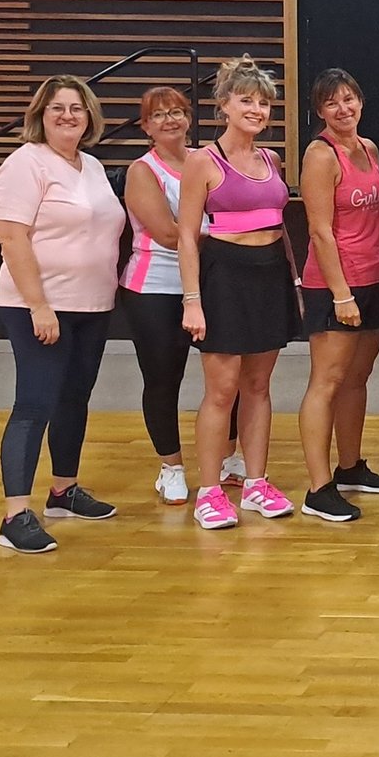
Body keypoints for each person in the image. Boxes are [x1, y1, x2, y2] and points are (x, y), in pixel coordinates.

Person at [0, 76, 126, 553]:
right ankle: (14, 515)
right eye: (57, 108)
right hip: (40, 306)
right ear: (40, 116)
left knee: (74, 398)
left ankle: (63, 491)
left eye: (77, 108)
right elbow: (12, 238)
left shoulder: (90, 165)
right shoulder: (24, 164)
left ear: (90, 117)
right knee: (35, 403)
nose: (68, 116)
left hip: (91, 304)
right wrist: (39, 304)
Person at [177, 54, 301, 531]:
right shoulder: (201, 161)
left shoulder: (271, 159)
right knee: (221, 390)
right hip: (223, 277)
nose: (256, 109)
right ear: (223, 105)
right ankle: (209, 490)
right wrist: (193, 299)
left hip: (268, 274)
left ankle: (255, 482)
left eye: (263, 103)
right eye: (245, 100)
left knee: (258, 386)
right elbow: (188, 235)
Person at [119, 84, 238, 506]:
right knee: (163, 379)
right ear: (145, 126)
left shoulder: (206, 160)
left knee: (229, 376)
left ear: (190, 118)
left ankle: (227, 457)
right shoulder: (141, 171)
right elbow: (171, 234)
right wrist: (232, 237)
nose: (170, 120)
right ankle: (171, 467)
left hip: (211, 284)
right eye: (158, 115)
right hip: (157, 289)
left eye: (177, 112)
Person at [295, 69, 379, 523]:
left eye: (350, 99)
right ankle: (319, 489)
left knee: (357, 379)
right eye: (332, 103)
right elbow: (319, 230)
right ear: (319, 111)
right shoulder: (320, 155)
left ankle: (351, 466)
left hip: (375, 278)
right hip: (336, 285)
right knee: (328, 381)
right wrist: (340, 294)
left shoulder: (371, 149)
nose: (344, 108)